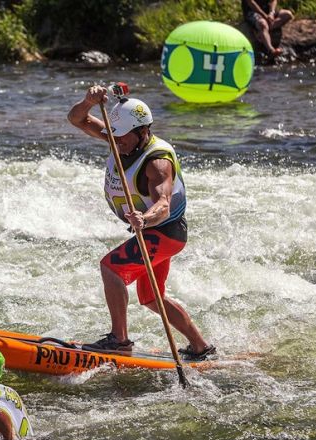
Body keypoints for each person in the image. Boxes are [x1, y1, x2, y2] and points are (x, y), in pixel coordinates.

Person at [67, 85, 216, 360]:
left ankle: (119, 341)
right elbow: (77, 119)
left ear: (143, 131)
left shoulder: (157, 162)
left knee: (110, 268)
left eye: (123, 136)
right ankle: (200, 346)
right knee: (150, 297)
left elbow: (163, 205)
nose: (117, 141)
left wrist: (144, 219)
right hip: (154, 233)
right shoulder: (118, 137)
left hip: (164, 232)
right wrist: (88, 101)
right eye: (114, 134)